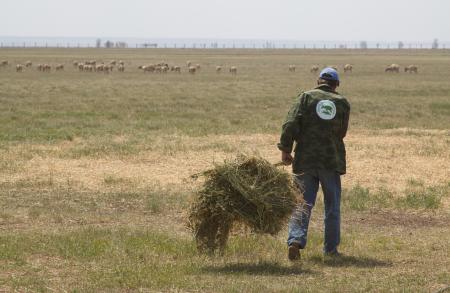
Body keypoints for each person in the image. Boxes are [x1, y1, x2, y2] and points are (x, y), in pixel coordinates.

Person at [277, 67, 350, 261]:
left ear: (318, 81)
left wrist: (286, 149)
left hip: (305, 160)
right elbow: (342, 132)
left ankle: (295, 241)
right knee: (332, 206)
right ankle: (331, 250)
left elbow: (290, 123)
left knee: (302, 204)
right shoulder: (342, 102)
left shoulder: (306, 97)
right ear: (337, 85)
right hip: (330, 160)